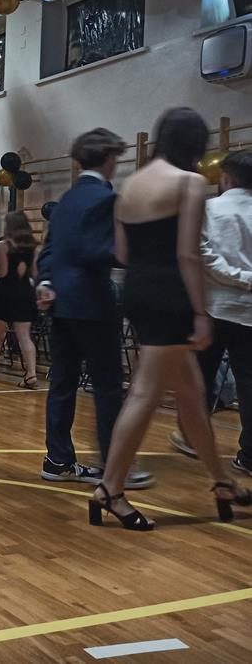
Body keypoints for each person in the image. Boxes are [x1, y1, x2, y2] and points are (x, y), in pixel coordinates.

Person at [92, 109, 251, 529]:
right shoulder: (189, 182)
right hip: (172, 296)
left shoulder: (131, 184)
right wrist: (200, 312)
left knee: (192, 394)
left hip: (138, 290)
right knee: (145, 393)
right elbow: (188, 254)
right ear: (195, 144)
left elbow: (122, 253)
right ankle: (110, 489)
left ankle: (221, 481)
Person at [36, 129, 151, 489]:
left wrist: (45, 281)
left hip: (60, 301)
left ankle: (57, 460)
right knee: (107, 386)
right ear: (109, 159)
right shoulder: (106, 198)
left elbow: (50, 251)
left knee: (62, 383)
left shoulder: (66, 199)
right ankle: (116, 466)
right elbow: (99, 250)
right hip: (92, 301)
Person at [182, 150, 251, 472]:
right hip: (248, 312)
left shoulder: (209, 209)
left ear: (225, 178)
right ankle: (249, 456)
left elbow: (203, 256)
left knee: (199, 379)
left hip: (213, 308)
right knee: (249, 384)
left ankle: (193, 439)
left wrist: (236, 277)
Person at [0, 211, 39, 387]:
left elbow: (2, 272)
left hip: (5, 292)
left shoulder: (4, 245)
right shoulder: (33, 247)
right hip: (25, 291)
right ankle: (31, 374)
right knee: (24, 336)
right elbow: (35, 273)